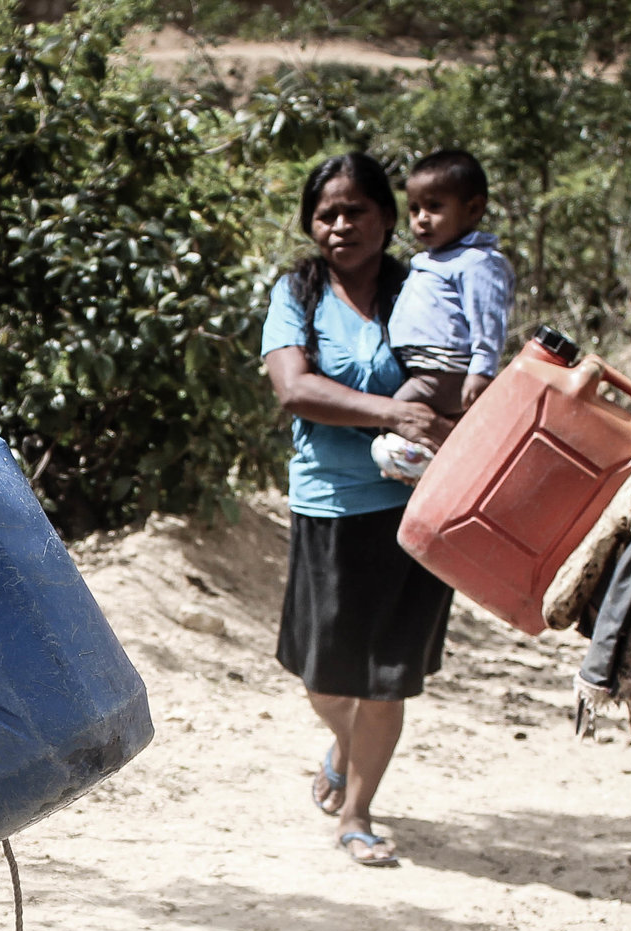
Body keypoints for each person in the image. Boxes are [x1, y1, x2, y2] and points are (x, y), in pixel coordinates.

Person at [260, 152, 457, 868]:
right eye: (326, 213)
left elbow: (459, 378)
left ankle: (358, 812)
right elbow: (294, 389)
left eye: (355, 211)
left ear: (388, 218)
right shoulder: (299, 292)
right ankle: (344, 746)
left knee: (387, 674)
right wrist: (394, 415)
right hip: (330, 505)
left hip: (416, 508)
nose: (340, 225)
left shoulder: (425, 290)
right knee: (322, 676)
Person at [370, 149, 516, 484]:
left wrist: (482, 369)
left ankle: (439, 471)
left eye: (434, 207)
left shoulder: (476, 262)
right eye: (415, 209)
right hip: (427, 368)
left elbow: (488, 319)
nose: (421, 218)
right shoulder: (437, 259)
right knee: (415, 425)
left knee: (396, 414)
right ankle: (444, 472)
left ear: (473, 209)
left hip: (445, 370)